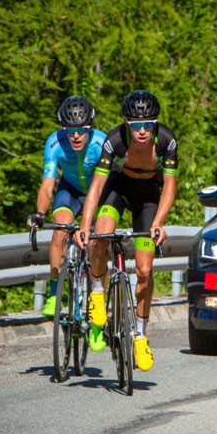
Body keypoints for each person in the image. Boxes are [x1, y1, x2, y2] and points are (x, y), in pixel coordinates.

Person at [75, 90, 177, 371]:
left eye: (148, 124)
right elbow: (97, 186)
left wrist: (158, 223)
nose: (142, 131)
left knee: (144, 271)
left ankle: (141, 336)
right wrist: (85, 226)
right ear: (126, 123)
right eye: (135, 124)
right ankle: (97, 290)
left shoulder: (166, 140)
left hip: (148, 197)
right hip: (118, 188)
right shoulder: (115, 140)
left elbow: (169, 186)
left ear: (155, 123)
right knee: (101, 235)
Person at [27, 95, 107, 318]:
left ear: (89, 128)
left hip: (97, 194)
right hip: (69, 191)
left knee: (96, 243)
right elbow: (47, 185)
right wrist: (40, 213)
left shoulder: (101, 143)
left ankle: (97, 297)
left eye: (81, 130)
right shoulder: (54, 142)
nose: (75, 135)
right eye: (69, 129)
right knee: (59, 231)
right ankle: (54, 295)